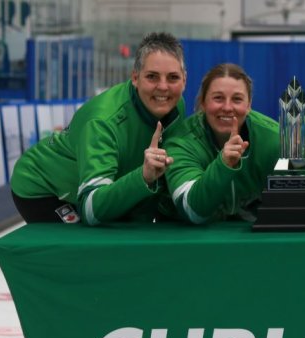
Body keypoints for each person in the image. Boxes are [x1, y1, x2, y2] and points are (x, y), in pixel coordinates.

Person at [10, 32, 186, 225]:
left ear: (184, 80)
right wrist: (143, 177)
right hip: (43, 187)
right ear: (135, 78)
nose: (163, 87)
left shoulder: (176, 105)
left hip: (97, 187)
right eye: (152, 77)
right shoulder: (103, 121)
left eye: (172, 78)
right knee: (84, 251)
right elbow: (92, 210)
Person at [164, 63, 280, 224]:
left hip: (252, 239)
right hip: (193, 241)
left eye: (237, 99)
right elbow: (192, 211)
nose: (227, 107)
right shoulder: (181, 141)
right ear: (203, 103)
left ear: (249, 105)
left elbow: (298, 201)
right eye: (218, 98)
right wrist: (223, 165)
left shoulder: (274, 139)